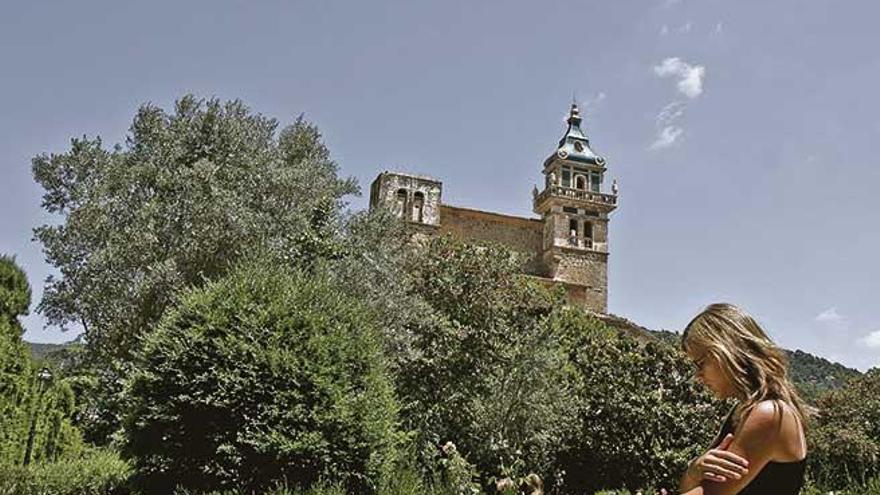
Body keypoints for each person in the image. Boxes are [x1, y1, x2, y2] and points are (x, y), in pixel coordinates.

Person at [678, 303, 811, 495]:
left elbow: (706, 492)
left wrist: (693, 474)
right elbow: (693, 487)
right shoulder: (741, 412)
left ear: (727, 352)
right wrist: (694, 471)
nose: (698, 376)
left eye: (701, 364)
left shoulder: (769, 414)